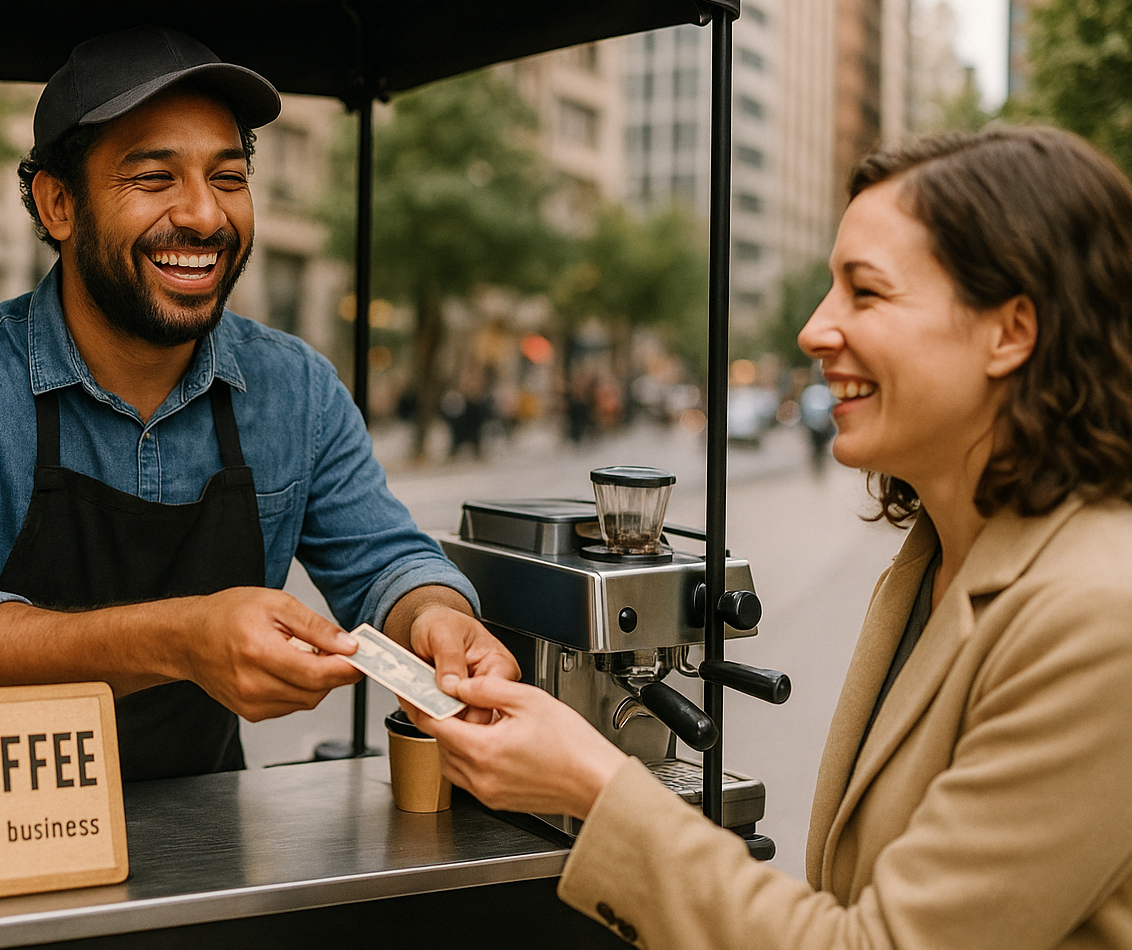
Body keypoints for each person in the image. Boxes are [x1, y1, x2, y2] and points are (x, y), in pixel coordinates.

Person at [414, 126, 1132, 949]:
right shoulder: (930, 562)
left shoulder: (1099, 616)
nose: (815, 329)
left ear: (1011, 331)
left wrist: (596, 783)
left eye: (865, 293)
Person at [0, 26, 516, 797]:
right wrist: (182, 638)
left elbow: (388, 564)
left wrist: (435, 617)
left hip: (199, 818)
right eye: (155, 177)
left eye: (228, 177)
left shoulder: (294, 388)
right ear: (59, 203)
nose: (204, 215)